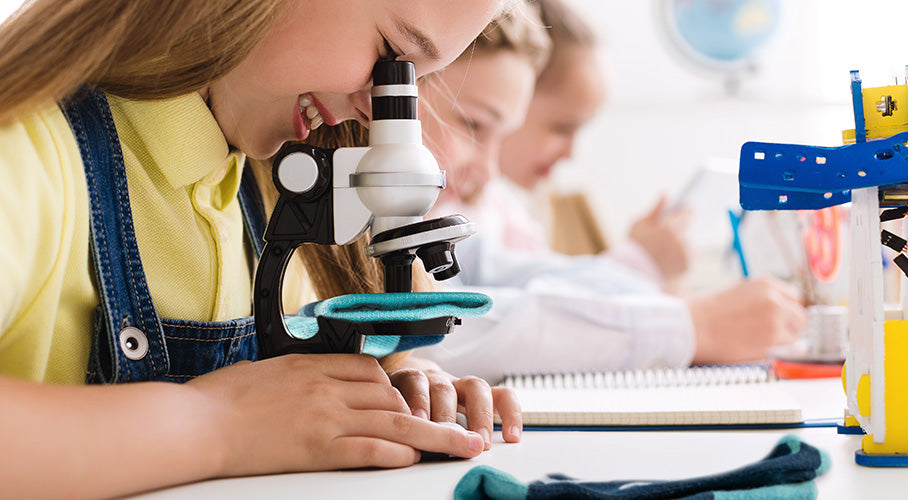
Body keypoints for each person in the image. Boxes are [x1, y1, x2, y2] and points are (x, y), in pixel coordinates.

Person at [0, 1, 524, 498]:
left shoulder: (260, 188)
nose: (373, 110)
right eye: (390, 53)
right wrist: (217, 425)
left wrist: (381, 397)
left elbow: (290, 396)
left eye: (413, 79)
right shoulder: (25, 150)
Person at [415, 0, 808, 384]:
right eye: (473, 124)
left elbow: (522, 282)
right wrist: (689, 323)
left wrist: (666, 297)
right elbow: (439, 331)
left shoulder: (454, 226)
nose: (490, 169)